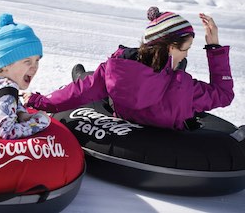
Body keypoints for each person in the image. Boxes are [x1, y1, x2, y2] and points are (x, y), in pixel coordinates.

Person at [25, 8, 233, 130]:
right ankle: (83, 75)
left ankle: (81, 75)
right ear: (170, 48)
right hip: (161, 110)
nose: (187, 53)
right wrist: (214, 49)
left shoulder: (115, 71)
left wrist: (38, 101)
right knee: (176, 70)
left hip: (124, 100)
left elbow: (79, 92)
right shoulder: (183, 88)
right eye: (186, 49)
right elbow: (223, 94)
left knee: (92, 83)